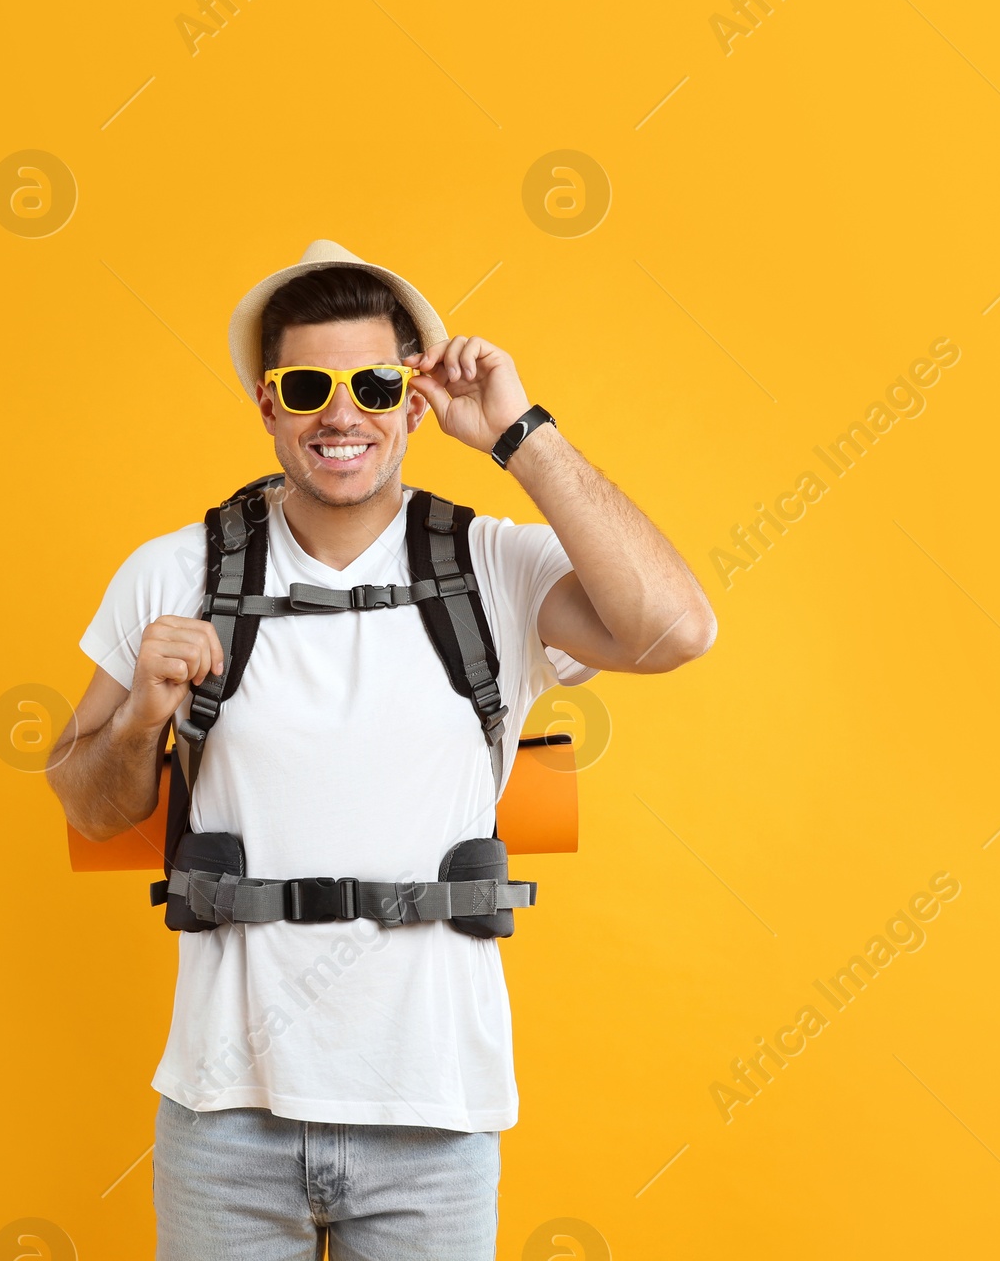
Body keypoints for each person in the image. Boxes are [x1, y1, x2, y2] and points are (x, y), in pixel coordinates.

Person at [49, 240, 716, 1261]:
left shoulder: (491, 562)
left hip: (433, 1114)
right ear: (268, 406)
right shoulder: (175, 569)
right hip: (223, 1114)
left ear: (413, 401)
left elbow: (676, 631)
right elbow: (87, 805)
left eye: (373, 383)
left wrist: (517, 432)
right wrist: (141, 713)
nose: (340, 414)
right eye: (307, 386)